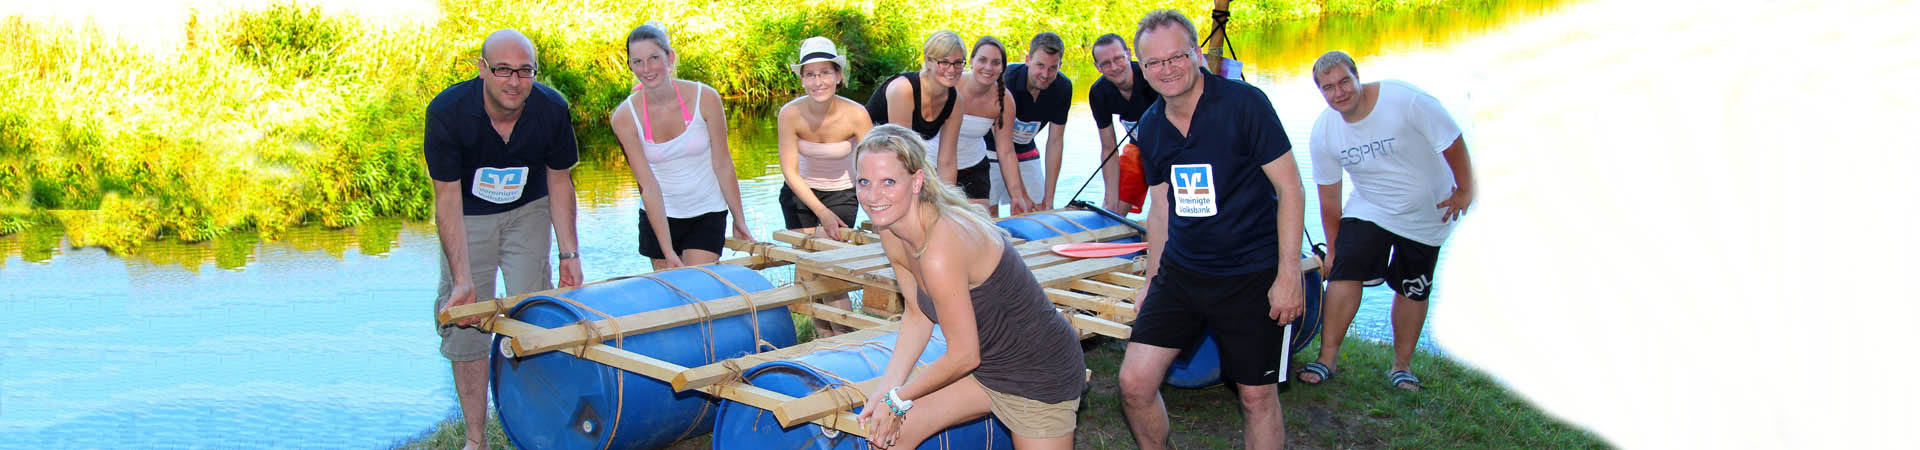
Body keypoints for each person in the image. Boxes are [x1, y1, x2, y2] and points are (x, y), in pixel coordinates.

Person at [1116, 10, 1305, 450]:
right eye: (1154, 63)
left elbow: (1291, 188)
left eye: (1177, 56)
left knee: (1257, 396)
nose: (1167, 69)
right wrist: (1150, 279)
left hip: (1251, 273)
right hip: (1183, 274)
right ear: (1142, 69)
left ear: (1198, 53)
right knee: (1133, 384)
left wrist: (1288, 273)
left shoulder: (1245, 104)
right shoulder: (1151, 125)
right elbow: (1161, 207)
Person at [852, 124, 1086, 450]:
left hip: (1038, 373)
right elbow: (918, 315)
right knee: (888, 440)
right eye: (864, 182)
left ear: (917, 181)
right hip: (989, 368)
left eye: (888, 182)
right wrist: (885, 390)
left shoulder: (940, 247)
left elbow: (964, 355)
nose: (873, 197)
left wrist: (897, 400)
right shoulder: (891, 230)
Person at [424, 29, 584, 450]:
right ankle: (475, 441)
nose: (514, 81)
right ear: (482, 70)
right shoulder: (447, 112)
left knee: (534, 316)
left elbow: (560, 181)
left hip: (529, 211)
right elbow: (446, 198)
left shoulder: (551, 108)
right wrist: (462, 279)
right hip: (469, 216)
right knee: (465, 319)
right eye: (503, 70)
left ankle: (538, 432)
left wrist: (569, 253)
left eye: (525, 71)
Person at [1295, 50, 1475, 392]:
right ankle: (1326, 358)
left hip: (1427, 212)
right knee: (1347, 268)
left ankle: (1401, 367)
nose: (1340, 92)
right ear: (1321, 92)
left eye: (1345, 81)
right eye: (1329, 88)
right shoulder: (1324, 131)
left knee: (1413, 286)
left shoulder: (1405, 100)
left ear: (1357, 76)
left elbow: (1452, 140)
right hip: (1371, 207)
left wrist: (1465, 189)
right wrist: (1333, 251)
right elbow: (1330, 199)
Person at [611, 22, 753, 271]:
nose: (647, 69)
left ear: (670, 57)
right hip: (659, 217)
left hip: (707, 210)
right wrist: (667, 250)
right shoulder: (624, 117)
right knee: (672, 294)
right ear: (631, 66)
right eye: (638, 62)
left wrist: (739, 219)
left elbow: (722, 164)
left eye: (654, 58)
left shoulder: (706, 98)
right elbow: (649, 186)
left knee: (699, 287)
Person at [776, 36, 872, 337]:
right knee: (813, 274)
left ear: (838, 76)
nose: (818, 81)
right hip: (800, 194)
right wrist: (820, 211)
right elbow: (790, 172)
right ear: (802, 79)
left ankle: (846, 343)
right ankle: (824, 345)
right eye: (810, 74)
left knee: (833, 278)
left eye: (825, 73)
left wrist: (877, 209)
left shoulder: (856, 114)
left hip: (843, 193)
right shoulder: (790, 113)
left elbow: (873, 166)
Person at [986, 32, 1072, 216]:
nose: (1045, 74)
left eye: (1052, 68)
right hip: (992, 146)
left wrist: (1049, 198)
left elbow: (1055, 142)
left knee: (1038, 210)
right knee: (989, 210)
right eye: (1040, 65)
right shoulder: (1006, 79)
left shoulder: (1063, 88)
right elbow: (1004, 145)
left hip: (1025, 146)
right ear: (1028, 60)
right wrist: (1021, 194)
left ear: (1060, 66)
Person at [866, 30, 966, 185]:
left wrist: (948, 201)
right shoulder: (903, 89)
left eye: (958, 63)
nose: (952, 70)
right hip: (869, 156)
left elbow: (947, 161)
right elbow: (901, 152)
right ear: (928, 61)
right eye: (944, 62)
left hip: (896, 161)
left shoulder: (956, 101)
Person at [957, 36, 1038, 214]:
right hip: (936, 164)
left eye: (995, 62)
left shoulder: (1004, 100)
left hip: (974, 167)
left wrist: (1017, 196)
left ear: (1002, 68)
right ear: (971, 61)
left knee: (981, 225)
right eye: (982, 60)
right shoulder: (951, 86)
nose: (988, 67)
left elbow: (1006, 151)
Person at [1086, 33, 1160, 214]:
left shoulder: (1152, 78)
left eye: (1118, 59)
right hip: (1138, 149)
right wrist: (1111, 199)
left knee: (1164, 206)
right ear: (1097, 67)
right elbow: (1109, 147)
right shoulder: (1099, 93)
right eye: (1105, 63)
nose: (1114, 67)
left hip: (1170, 150)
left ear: (1129, 54)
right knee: (1113, 207)